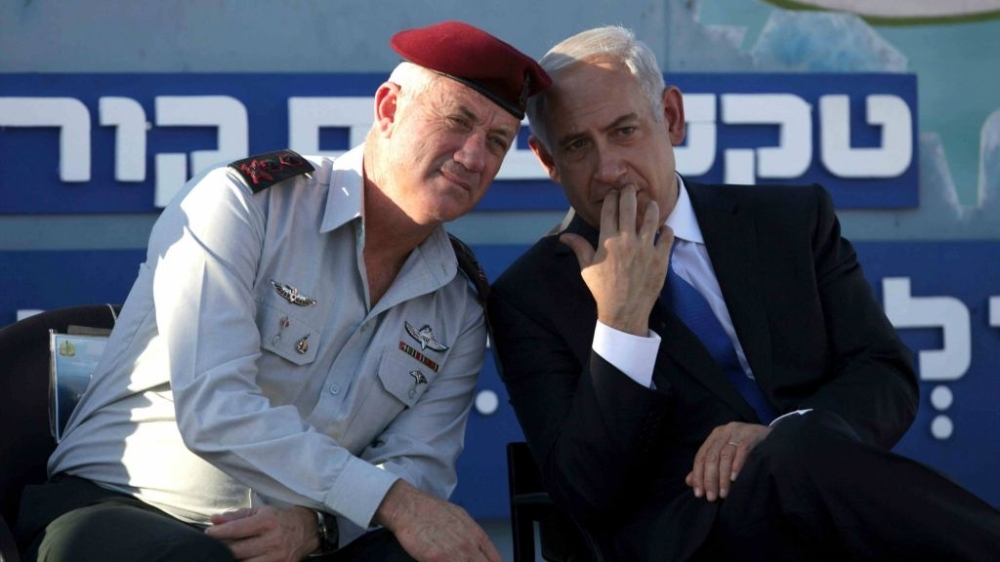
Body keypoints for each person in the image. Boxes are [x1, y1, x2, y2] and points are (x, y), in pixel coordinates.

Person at [14, 20, 550, 562]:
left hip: (305, 540)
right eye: (457, 121)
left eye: (498, 142)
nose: (474, 156)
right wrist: (387, 500)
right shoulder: (244, 204)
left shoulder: (458, 301)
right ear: (388, 108)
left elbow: (421, 466)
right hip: (127, 509)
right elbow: (216, 408)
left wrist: (319, 526)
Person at [487, 25, 1000, 561]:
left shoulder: (790, 221)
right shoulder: (531, 296)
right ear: (548, 162)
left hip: (821, 509)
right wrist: (620, 321)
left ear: (670, 118)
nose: (609, 168)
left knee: (798, 450)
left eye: (624, 131)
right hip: (689, 541)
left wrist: (782, 435)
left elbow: (883, 374)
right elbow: (584, 494)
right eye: (577, 146)